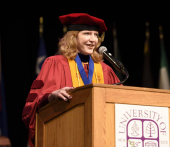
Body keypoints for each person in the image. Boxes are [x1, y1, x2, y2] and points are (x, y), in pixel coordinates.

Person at [22, 13, 120, 146]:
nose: (93, 40)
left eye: (96, 35)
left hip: (101, 137)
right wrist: (50, 97)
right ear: (73, 37)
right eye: (87, 33)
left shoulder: (105, 70)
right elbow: (31, 106)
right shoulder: (55, 63)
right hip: (64, 135)